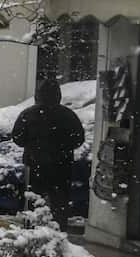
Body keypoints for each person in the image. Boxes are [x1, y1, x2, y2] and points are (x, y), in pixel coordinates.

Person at [10, 79, 86, 227]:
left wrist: (33, 146)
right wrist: (63, 148)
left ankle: (33, 228)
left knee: (35, 198)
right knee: (60, 201)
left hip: (35, 164)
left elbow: (18, 138)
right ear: (58, 95)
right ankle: (59, 228)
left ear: (38, 95)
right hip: (61, 165)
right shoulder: (68, 115)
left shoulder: (28, 114)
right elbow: (78, 138)